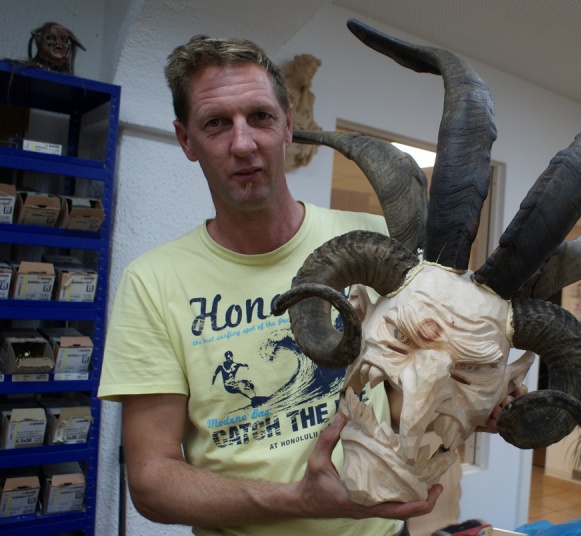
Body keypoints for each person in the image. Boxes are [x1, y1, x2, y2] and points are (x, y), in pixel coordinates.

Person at [98, 35, 442, 536]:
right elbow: (151, 482)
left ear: (288, 127)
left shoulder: (373, 242)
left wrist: (472, 399)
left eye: (260, 117)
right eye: (216, 123)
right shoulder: (152, 283)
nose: (243, 144)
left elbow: (405, 386)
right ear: (186, 141)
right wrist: (298, 501)